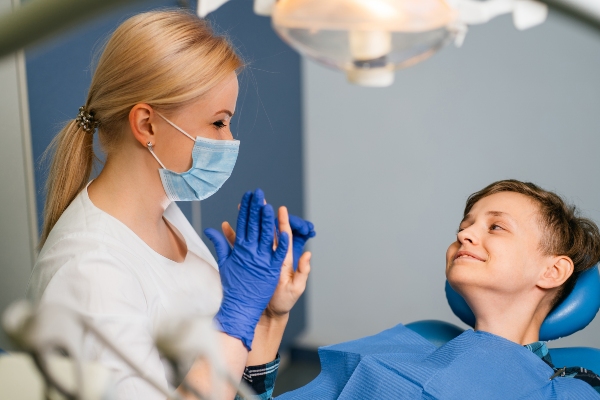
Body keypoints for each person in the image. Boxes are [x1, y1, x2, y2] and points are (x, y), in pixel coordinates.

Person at [26, 10, 314, 400]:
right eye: (218, 123)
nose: (230, 140)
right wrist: (234, 317)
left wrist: (266, 312)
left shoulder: (165, 214)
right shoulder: (88, 273)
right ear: (146, 125)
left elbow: (243, 386)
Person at [279, 180, 600, 399]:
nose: (465, 235)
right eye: (463, 227)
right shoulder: (407, 347)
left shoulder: (569, 386)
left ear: (552, 271)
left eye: (496, 227)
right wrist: (270, 319)